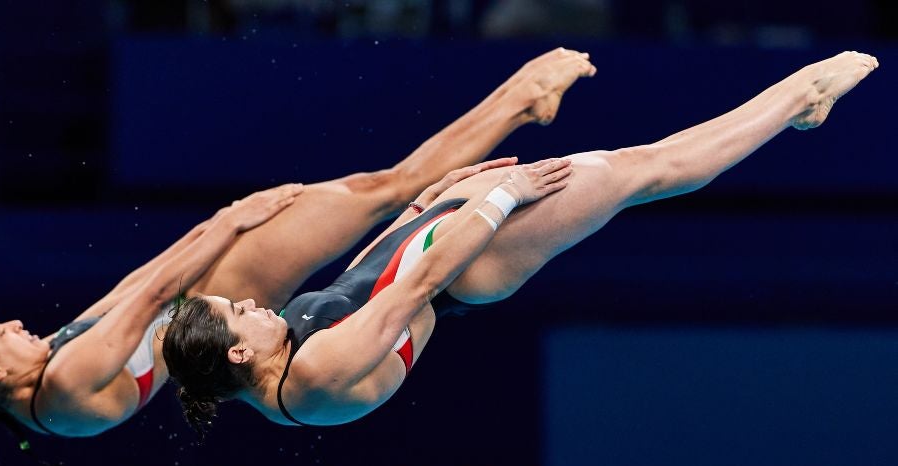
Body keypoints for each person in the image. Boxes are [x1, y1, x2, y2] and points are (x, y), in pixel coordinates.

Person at [162, 51, 879, 433]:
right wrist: (501, 200)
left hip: (433, 240)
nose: (256, 302)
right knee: (641, 170)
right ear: (238, 352)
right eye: (240, 311)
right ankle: (800, 99)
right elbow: (407, 290)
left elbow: (360, 278)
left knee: (629, 169)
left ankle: (518, 105)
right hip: (468, 266)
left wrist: (427, 201)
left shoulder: (288, 342)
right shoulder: (311, 383)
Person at [0, 48, 597, 440]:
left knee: (384, 189)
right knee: (386, 191)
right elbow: (159, 294)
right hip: (218, 298)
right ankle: (520, 99)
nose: (14, 323)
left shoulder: (51, 369)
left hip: (204, 295)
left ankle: (518, 102)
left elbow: (132, 286)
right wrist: (229, 219)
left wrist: (217, 227)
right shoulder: (64, 388)